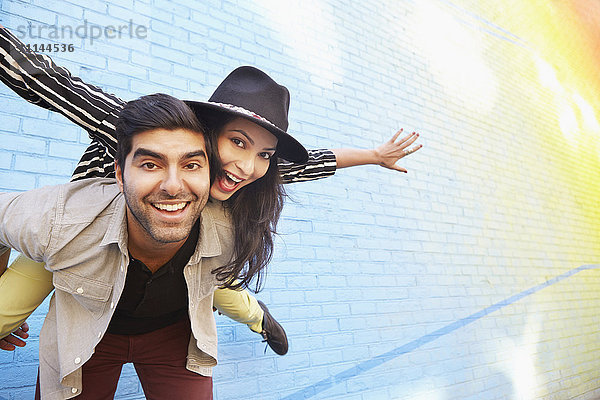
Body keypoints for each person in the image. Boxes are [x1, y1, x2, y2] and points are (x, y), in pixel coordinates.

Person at [0, 25, 422, 353]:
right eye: (237, 142)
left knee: (230, 297)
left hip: (186, 252)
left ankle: (263, 320)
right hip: (87, 238)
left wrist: (373, 155)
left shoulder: (248, 176)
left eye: (264, 154)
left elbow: (311, 162)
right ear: (208, 131)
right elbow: (47, 83)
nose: (246, 166)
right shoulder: (147, 129)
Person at [0, 93, 250, 399]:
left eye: (192, 165)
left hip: (173, 334)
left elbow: (274, 170)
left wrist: (326, 159)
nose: (173, 186)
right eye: (150, 164)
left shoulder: (231, 226)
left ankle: (264, 322)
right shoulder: (61, 219)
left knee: (238, 301)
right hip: (89, 330)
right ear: (119, 174)